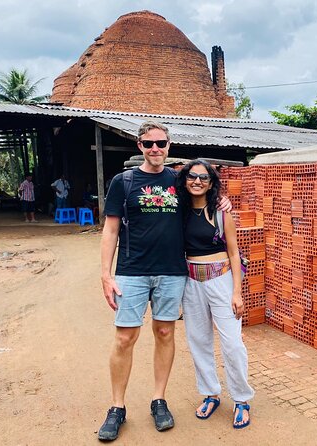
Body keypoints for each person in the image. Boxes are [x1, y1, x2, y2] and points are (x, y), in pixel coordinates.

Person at [97, 121, 231, 441]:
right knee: (125, 338)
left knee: (164, 332)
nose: (155, 148)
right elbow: (111, 229)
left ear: (169, 145)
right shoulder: (123, 181)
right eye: (148, 143)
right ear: (139, 146)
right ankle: (117, 407)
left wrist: (222, 200)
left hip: (172, 271)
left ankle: (159, 399)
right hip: (131, 271)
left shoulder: (179, 180)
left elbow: (205, 192)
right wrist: (106, 274)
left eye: (160, 143)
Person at [176, 159, 254, 429]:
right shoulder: (179, 211)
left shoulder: (221, 212)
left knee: (232, 343)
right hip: (191, 282)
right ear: (185, 180)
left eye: (203, 178)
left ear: (211, 184)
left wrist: (237, 292)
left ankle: (242, 399)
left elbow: (234, 253)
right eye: (192, 177)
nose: (197, 182)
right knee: (199, 341)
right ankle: (211, 393)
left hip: (220, 280)